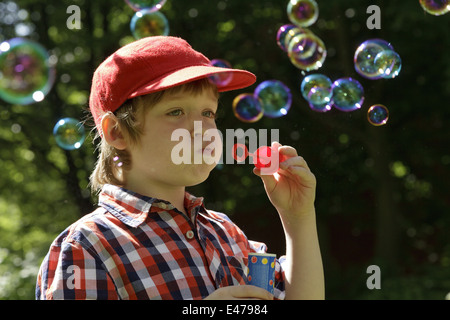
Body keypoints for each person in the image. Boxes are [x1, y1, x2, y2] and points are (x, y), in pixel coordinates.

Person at [35, 36, 324, 300]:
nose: (202, 129)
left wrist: (298, 218)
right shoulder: (87, 248)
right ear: (117, 132)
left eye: (208, 113)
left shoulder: (225, 233)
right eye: (176, 112)